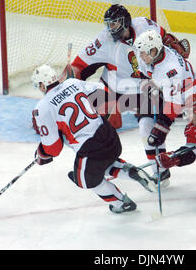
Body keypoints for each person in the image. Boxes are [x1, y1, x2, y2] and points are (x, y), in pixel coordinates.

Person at [31, 64, 156, 214]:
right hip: (109, 134)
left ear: (42, 85)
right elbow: (104, 92)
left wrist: (42, 155)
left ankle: (122, 203)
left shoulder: (43, 107)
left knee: (86, 180)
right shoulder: (73, 83)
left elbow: (53, 148)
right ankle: (131, 172)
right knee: (102, 166)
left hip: (89, 149)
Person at [63, 4, 191, 129]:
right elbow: (78, 66)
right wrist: (68, 80)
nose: (110, 28)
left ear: (125, 21)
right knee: (110, 123)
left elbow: (165, 39)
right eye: (108, 24)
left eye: (114, 23)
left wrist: (175, 49)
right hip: (114, 88)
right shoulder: (104, 40)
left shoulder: (143, 25)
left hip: (144, 87)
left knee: (177, 111)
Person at [133, 29, 196, 188]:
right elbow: (143, 74)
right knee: (145, 126)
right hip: (168, 93)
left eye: (144, 53)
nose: (141, 57)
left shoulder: (171, 69)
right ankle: (160, 173)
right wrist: (149, 88)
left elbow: (174, 106)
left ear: (154, 50)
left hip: (193, 98)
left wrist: (161, 128)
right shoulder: (148, 54)